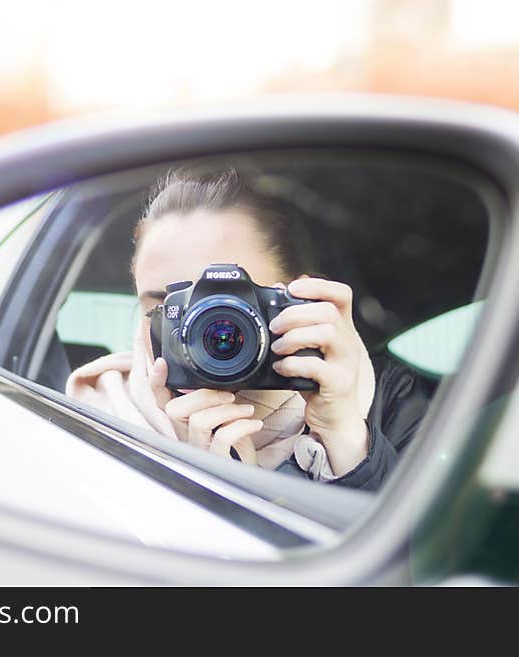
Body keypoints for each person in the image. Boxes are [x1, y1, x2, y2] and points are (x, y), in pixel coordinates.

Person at [66, 169, 432, 491]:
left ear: (301, 299)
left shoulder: (392, 405)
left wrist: (345, 438)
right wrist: (190, 476)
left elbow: (416, 557)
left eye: (226, 299)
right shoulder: (100, 423)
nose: (204, 326)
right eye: (166, 305)